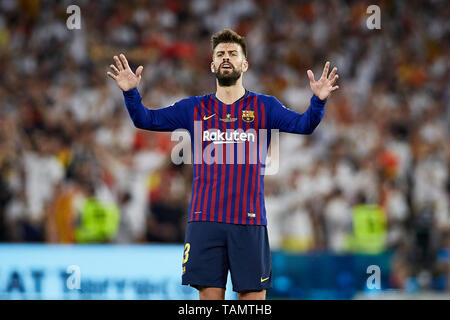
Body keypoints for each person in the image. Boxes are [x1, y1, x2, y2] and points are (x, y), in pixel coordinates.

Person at [107, 29, 339, 300]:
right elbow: (145, 119)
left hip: (249, 220)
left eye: (232, 54)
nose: (226, 58)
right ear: (212, 65)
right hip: (205, 221)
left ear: (244, 64)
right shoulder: (193, 108)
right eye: (220, 54)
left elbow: (304, 124)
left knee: (252, 301)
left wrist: (318, 101)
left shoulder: (265, 106)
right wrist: (131, 93)